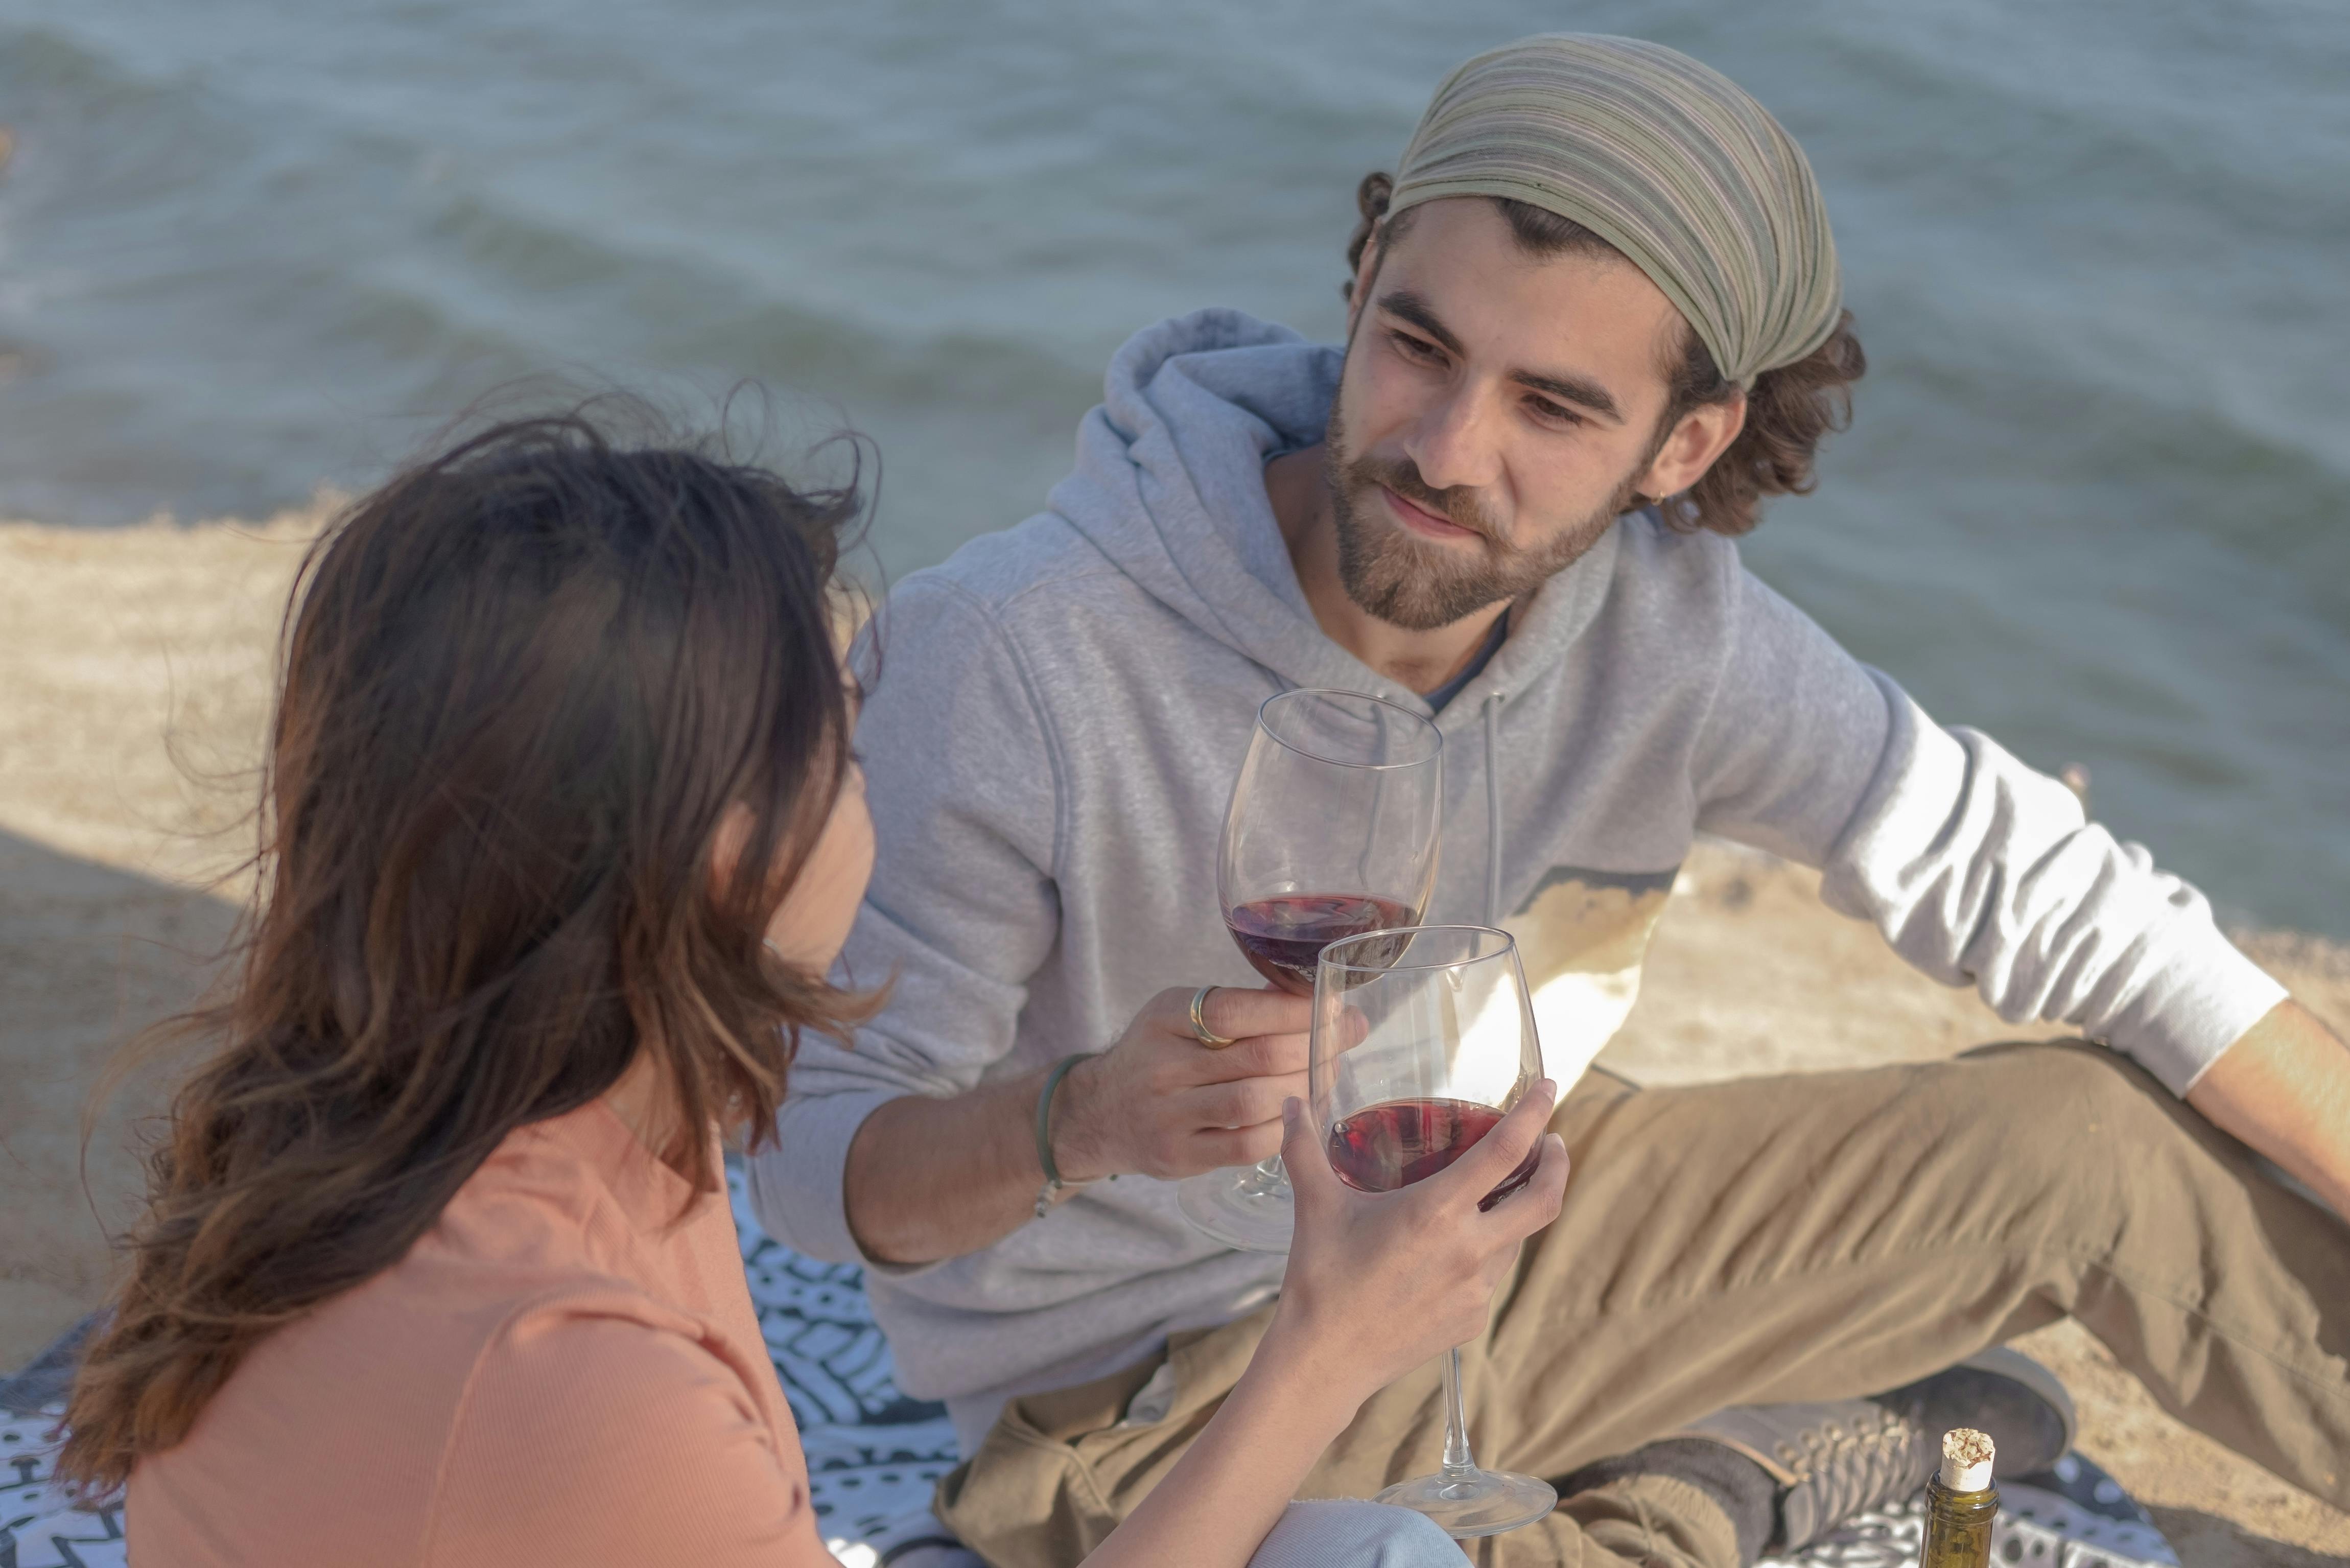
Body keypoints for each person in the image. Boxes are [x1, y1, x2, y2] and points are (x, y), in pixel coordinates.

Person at [746, 33, 2350, 1568]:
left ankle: (1673, 1459)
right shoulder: (1017, 652)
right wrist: (1077, 1120)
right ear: (1358, 286)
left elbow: (2057, 899)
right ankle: (1709, 1489)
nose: (1446, 450)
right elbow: (813, 1171)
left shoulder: (1672, 631)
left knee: (2091, 1147)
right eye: (1417, 347)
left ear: (1688, 442)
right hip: (1151, 1403)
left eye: (1556, 406)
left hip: (1510, 1221)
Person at [54, 412, 1552, 1567]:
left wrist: (1091, 1127)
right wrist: (1326, 1349)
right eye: (842, 746)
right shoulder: (562, 1366)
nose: (874, 787)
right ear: (722, 851)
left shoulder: (412, 1124)